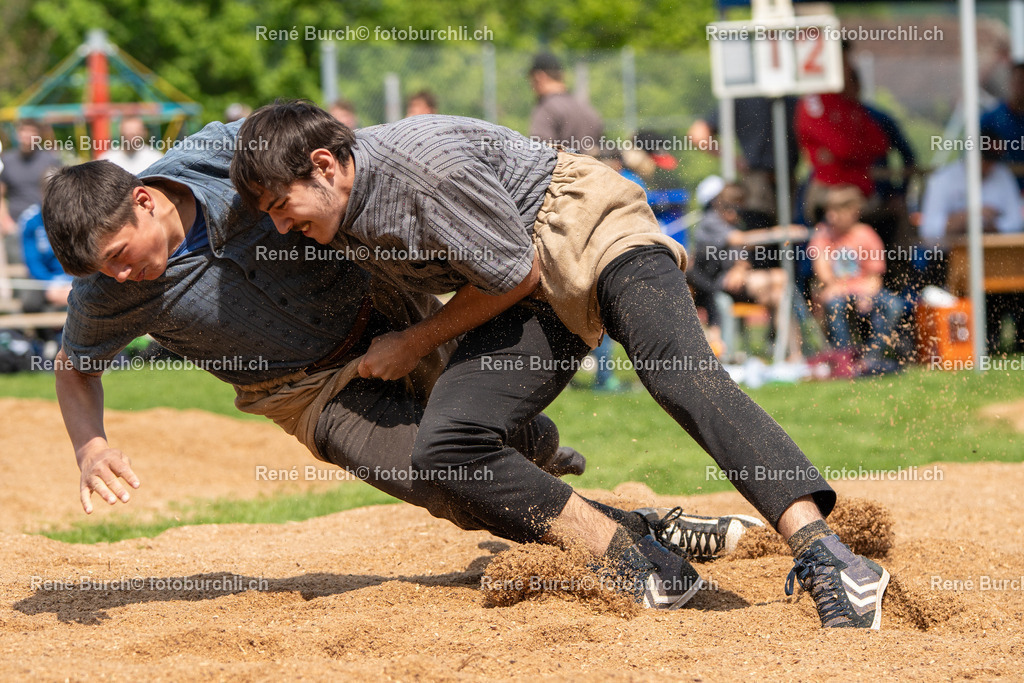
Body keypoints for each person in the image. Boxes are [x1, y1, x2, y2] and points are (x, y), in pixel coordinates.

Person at [230, 101, 891, 627]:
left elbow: (515, 272)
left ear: (325, 165)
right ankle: (638, 559)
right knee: (447, 444)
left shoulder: (418, 168)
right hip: (523, 286)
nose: (281, 226)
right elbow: (508, 278)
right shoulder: (339, 213)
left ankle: (830, 557)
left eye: (281, 206)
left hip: (588, 226)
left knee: (678, 375)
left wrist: (413, 344)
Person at [41, 120, 751, 583]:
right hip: (309, 390)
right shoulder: (106, 295)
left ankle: (536, 448)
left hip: (391, 312)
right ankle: (638, 535)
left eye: (119, 255)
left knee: (483, 439)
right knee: (441, 479)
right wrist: (90, 446)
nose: (118, 276)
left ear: (143, 201)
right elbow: (74, 369)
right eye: (101, 271)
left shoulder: (222, 156)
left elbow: (328, 159)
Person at [919, 146, 1024, 352]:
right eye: (986, 159)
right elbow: (929, 231)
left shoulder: (1002, 176)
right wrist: (967, 216)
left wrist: (993, 224)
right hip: (950, 260)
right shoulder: (943, 179)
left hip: (998, 260)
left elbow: (1015, 221)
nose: (990, 166)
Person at [688, 176, 805, 361]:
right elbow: (739, 240)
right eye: (730, 208)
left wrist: (741, 268)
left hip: (737, 281)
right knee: (781, 277)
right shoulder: (710, 221)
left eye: (738, 209)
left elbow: (742, 255)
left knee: (780, 296)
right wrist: (780, 232)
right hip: (714, 284)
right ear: (718, 204)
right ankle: (782, 348)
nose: (734, 213)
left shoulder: (733, 222)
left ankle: (793, 354)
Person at [808, 186, 907, 364]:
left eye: (837, 212)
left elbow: (875, 278)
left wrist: (865, 294)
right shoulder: (822, 234)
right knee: (835, 303)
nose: (831, 217)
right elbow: (824, 275)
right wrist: (843, 288)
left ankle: (870, 358)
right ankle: (845, 358)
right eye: (829, 211)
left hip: (864, 290)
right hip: (837, 291)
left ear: (853, 213)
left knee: (894, 305)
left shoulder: (866, 235)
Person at [795, 57, 890, 227]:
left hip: (861, 191)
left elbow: (880, 144)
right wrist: (856, 150)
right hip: (829, 188)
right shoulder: (816, 100)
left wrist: (847, 150)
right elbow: (842, 147)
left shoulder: (852, 107)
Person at [688, 96, 799, 220]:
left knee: (759, 226)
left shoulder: (743, 96)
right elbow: (698, 134)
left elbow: (699, 135)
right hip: (766, 185)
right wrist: (735, 161)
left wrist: (734, 161)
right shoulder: (788, 97)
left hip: (763, 185)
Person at [0, 120, 62, 264]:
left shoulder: (50, 160)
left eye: (31, 132)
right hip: (15, 226)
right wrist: (5, 221)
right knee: (18, 270)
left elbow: (59, 193)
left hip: (43, 225)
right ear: (17, 134)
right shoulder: (7, 161)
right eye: (24, 131)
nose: (27, 136)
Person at [528, 52, 603, 156]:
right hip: (591, 165)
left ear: (540, 77)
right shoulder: (586, 108)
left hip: (562, 166)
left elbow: (539, 153)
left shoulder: (546, 109)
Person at [981, 62, 1024, 190]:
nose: (1022, 88)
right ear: (1011, 83)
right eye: (1020, 82)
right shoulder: (991, 119)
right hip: (998, 191)